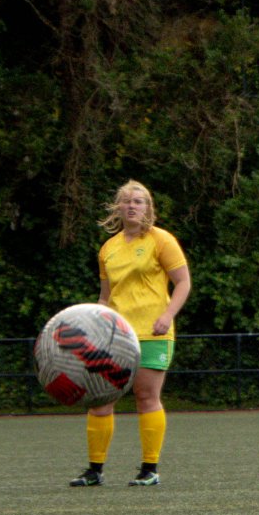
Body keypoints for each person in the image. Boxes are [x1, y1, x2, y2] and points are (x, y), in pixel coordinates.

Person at [72, 180, 190, 488]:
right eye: (127, 201)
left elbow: (183, 283)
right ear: (118, 208)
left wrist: (167, 315)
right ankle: (94, 471)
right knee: (100, 400)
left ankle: (149, 469)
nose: (133, 206)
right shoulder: (108, 248)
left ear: (148, 207)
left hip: (153, 332)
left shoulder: (161, 240)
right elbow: (105, 296)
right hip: (116, 336)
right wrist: (96, 323)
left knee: (146, 396)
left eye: (139, 201)